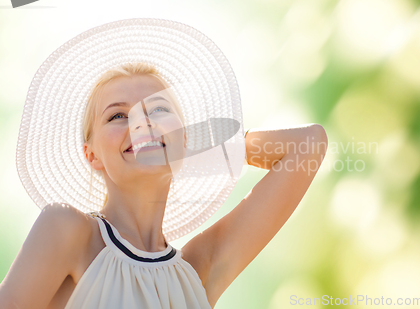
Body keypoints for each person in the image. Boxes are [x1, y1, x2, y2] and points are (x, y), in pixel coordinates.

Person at [0, 19, 328, 309]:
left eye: (157, 111)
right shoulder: (67, 230)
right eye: (118, 115)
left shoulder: (199, 270)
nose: (141, 124)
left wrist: (190, 147)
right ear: (92, 155)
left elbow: (308, 144)